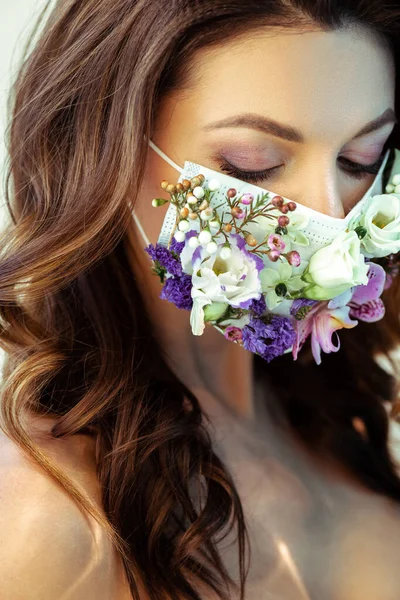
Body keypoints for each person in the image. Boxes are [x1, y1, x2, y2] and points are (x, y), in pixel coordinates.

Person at [1, 0, 400, 598]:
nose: (331, 216)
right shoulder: (48, 513)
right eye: (252, 167)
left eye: (358, 160)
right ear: (104, 150)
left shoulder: (332, 410)